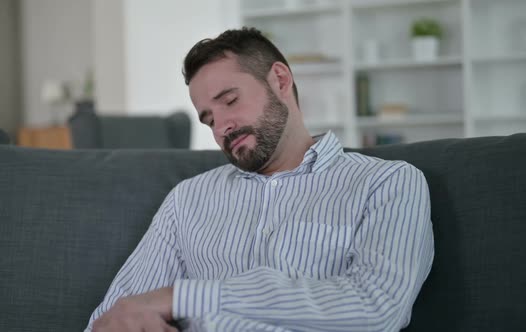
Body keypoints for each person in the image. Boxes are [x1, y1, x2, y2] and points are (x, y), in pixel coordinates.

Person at [85, 27, 434, 332]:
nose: (221, 127)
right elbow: (113, 317)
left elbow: (377, 307)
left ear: (280, 80)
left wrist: (185, 297)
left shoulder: (387, 183)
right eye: (208, 120)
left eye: (230, 100)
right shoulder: (188, 200)